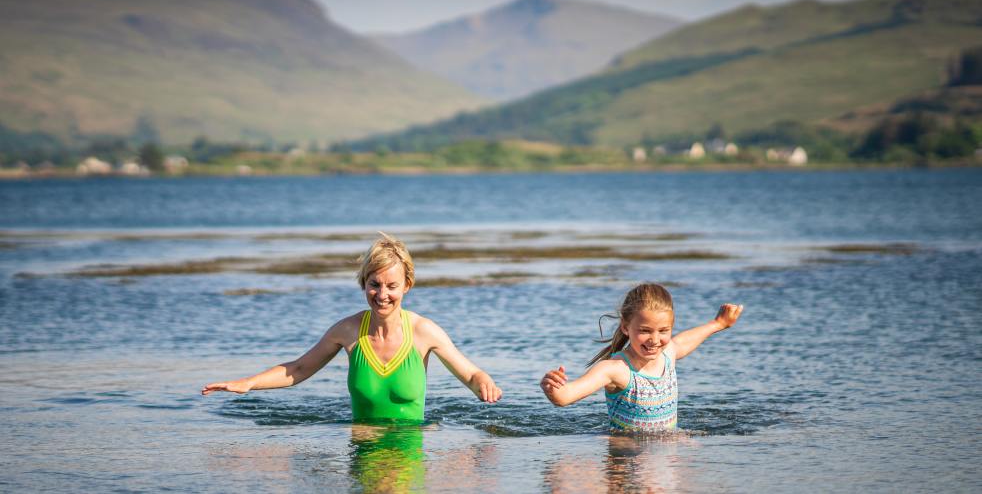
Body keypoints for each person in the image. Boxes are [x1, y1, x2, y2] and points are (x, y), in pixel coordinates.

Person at [202, 233, 502, 421]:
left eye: (392, 286)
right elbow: (299, 369)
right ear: (364, 284)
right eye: (374, 285)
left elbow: (471, 374)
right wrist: (248, 383)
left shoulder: (424, 332)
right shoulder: (346, 331)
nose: (382, 294)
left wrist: (483, 384)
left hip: (410, 458)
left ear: (407, 286)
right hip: (362, 454)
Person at [540, 283, 742, 431]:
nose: (655, 340)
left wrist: (718, 324)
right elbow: (565, 397)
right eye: (645, 331)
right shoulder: (616, 369)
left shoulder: (668, 353)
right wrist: (553, 389)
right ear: (626, 327)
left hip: (665, 447)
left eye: (663, 330)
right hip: (625, 454)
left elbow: (684, 341)